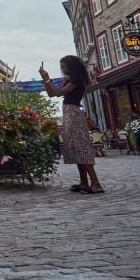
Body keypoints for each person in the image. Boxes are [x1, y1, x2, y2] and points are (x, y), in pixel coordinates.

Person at [40, 56, 104, 194]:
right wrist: (45, 80)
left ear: (72, 66)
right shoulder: (70, 80)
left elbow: (59, 92)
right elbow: (52, 94)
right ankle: (84, 183)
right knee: (75, 148)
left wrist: (47, 79)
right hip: (69, 113)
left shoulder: (77, 79)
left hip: (73, 113)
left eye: (64, 66)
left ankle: (96, 183)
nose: (63, 70)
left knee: (80, 147)